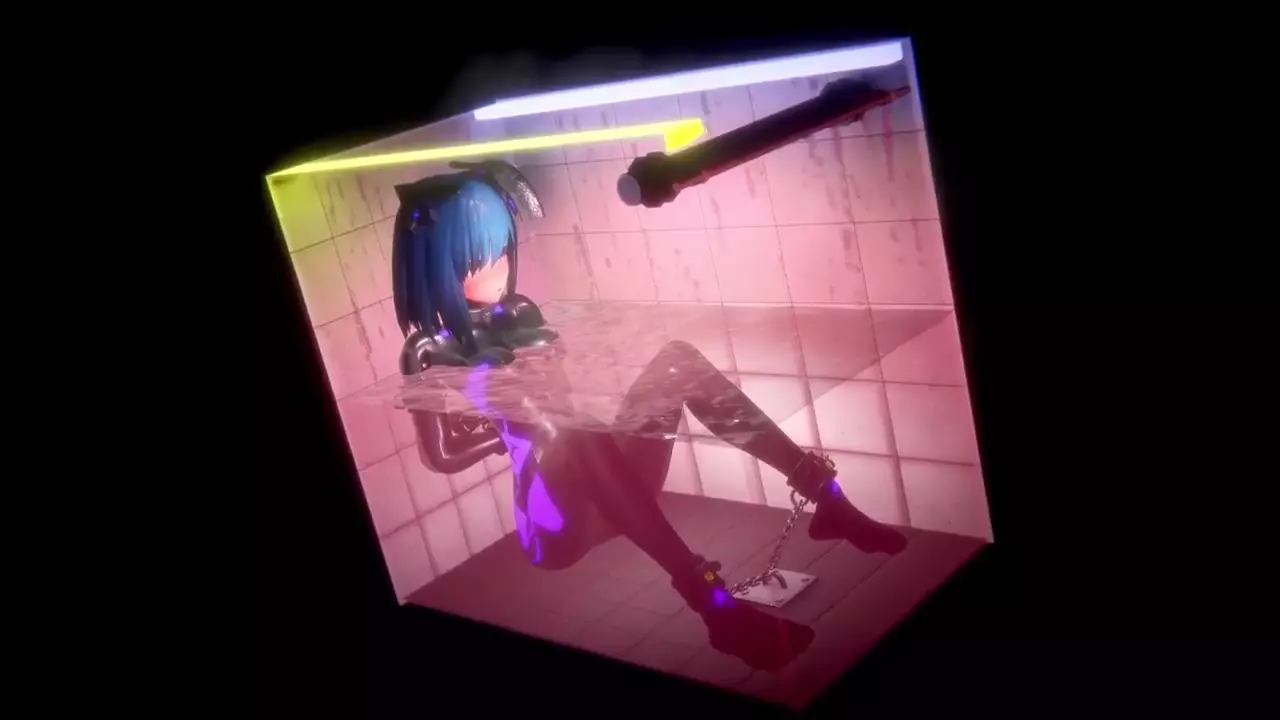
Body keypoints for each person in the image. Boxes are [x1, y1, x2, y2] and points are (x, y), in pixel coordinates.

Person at [393, 161, 907, 670]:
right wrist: (503, 433)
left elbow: (565, 383)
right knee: (573, 429)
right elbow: (442, 455)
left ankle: (827, 498)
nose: (499, 269)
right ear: (437, 267)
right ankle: (715, 607)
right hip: (553, 524)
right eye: (476, 260)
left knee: (677, 363)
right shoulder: (427, 350)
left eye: (502, 250)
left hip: (612, 489)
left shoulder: (520, 313)